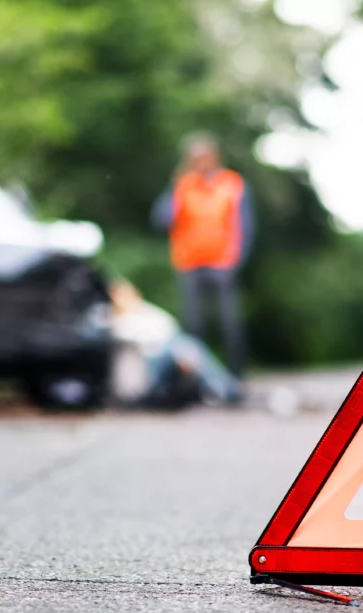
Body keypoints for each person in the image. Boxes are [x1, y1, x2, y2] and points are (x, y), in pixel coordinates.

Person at [151, 132, 254, 377]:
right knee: (194, 325)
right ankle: (200, 379)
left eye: (204, 156)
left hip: (222, 263)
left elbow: (246, 224)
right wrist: (175, 187)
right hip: (189, 262)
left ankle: (236, 377)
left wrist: (236, 260)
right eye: (195, 158)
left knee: (230, 322)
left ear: (215, 156)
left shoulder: (232, 183)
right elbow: (160, 218)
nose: (200, 162)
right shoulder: (183, 185)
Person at [109, 279, 241, 409]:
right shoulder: (113, 319)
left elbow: (170, 326)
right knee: (185, 346)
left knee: (186, 345)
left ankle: (220, 386)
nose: (125, 299)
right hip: (152, 363)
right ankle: (222, 387)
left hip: (169, 352)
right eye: (121, 296)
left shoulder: (146, 311)